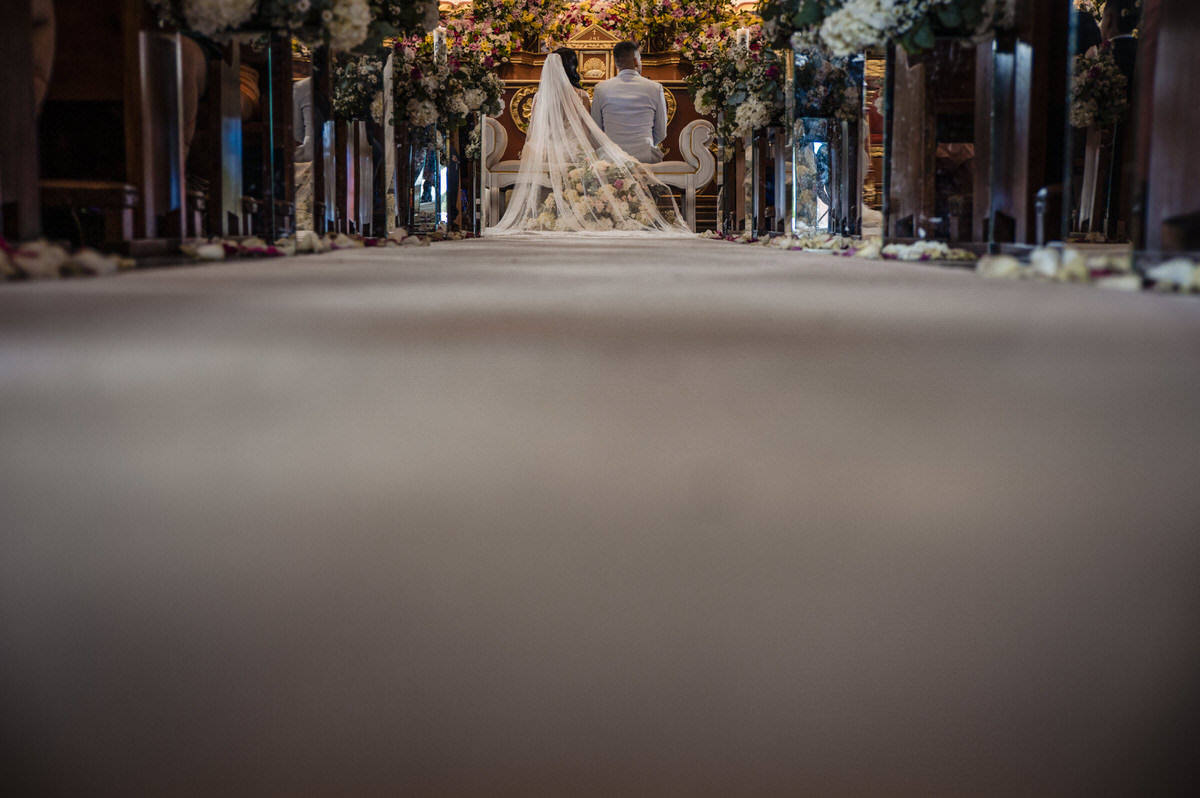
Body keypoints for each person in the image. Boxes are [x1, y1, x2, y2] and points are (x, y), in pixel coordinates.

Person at [484, 52, 690, 236]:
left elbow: (536, 130)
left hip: (542, 149)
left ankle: (542, 214)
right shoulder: (580, 95)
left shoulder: (539, 97)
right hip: (570, 150)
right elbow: (586, 132)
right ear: (572, 68)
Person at [590, 41, 668, 164]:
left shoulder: (601, 88)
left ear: (616, 63)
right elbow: (661, 132)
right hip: (645, 158)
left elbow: (596, 129)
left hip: (612, 158)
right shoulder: (655, 88)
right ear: (636, 61)